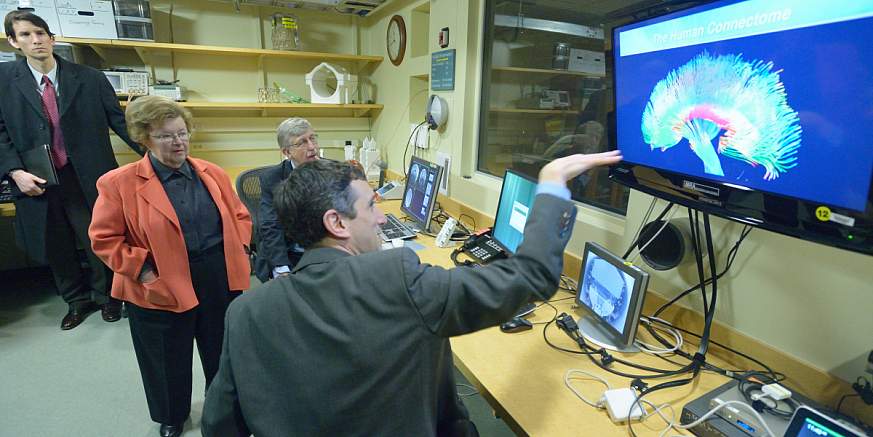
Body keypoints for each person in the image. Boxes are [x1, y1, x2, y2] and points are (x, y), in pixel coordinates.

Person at [202, 151, 623, 436]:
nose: (383, 220)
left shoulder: (245, 312)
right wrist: (550, 185)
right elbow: (531, 276)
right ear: (338, 223)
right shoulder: (395, 277)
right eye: (371, 206)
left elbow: (220, 424)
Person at [88, 96, 252, 437]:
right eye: (166, 136)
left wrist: (241, 247)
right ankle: (171, 415)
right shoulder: (118, 183)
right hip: (158, 277)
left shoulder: (212, 173)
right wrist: (143, 270)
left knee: (221, 349)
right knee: (165, 356)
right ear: (144, 137)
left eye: (182, 133)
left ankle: (220, 406)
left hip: (217, 275)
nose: (178, 142)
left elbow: (240, 215)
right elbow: (104, 239)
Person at [0, 10, 144, 330]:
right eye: (25, 35)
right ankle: (76, 301)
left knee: (97, 237)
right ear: (13, 41)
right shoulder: (3, 80)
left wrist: (155, 151)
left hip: (86, 175)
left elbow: (120, 123)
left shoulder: (90, 78)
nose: (35, 40)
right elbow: (0, 132)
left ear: (52, 38)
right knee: (57, 244)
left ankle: (108, 297)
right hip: (35, 178)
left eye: (40, 33)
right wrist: (14, 172)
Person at [255, 117, 320, 280]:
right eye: (302, 142)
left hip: (322, 251)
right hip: (290, 253)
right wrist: (281, 268)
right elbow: (271, 224)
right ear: (286, 152)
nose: (312, 147)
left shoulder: (330, 170)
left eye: (312, 138)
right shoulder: (272, 179)